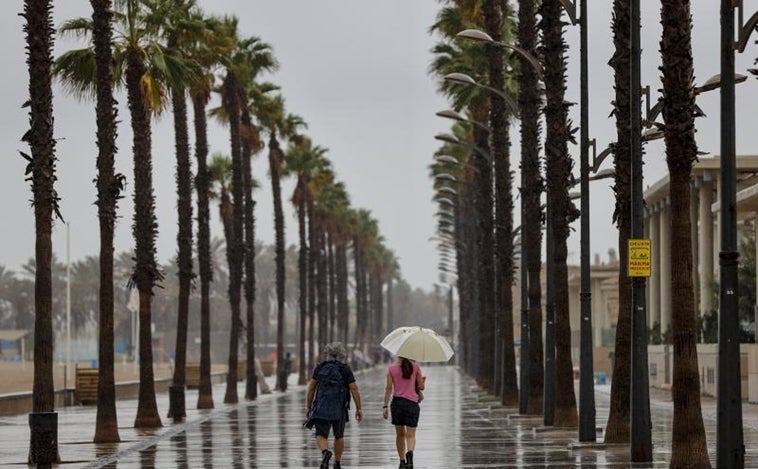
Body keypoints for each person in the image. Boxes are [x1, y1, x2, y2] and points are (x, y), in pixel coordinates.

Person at [305, 342, 363, 469]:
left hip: (321, 406)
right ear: (341, 354)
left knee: (321, 434)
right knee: (339, 435)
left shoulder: (320, 367)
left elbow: (311, 388)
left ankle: (326, 452)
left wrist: (308, 407)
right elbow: (354, 389)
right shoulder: (345, 369)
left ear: (327, 354)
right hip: (340, 408)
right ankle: (337, 462)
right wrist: (359, 408)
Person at [382, 356, 425, 469]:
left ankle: (402, 461)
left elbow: (388, 388)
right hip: (412, 405)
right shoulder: (415, 367)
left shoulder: (391, 368)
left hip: (397, 404)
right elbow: (421, 387)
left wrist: (385, 405)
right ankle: (410, 455)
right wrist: (423, 380)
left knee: (400, 435)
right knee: (410, 435)